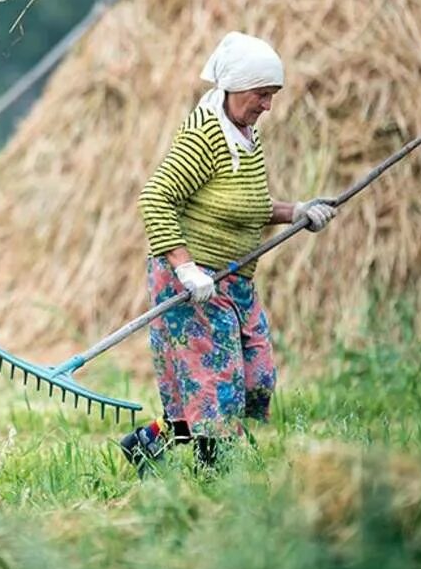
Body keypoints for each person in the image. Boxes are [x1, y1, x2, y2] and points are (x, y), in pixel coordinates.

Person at [122, 31, 335, 472]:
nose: (268, 106)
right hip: (196, 281)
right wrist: (185, 268)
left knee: (255, 374)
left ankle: (150, 443)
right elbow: (156, 197)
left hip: (234, 280)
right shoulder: (205, 137)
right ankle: (220, 472)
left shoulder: (244, 135)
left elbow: (248, 206)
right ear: (235, 88)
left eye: (272, 95)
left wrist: (298, 211)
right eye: (261, 94)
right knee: (215, 383)